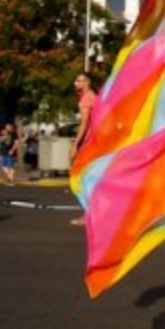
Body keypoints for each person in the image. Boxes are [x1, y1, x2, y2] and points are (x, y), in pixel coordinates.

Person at [68, 73, 97, 226]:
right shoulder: (92, 96)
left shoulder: (87, 98)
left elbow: (85, 123)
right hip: (95, 143)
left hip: (90, 144)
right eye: (76, 79)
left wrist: (75, 144)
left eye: (80, 80)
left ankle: (89, 215)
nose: (76, 82)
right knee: (89, 179)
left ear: (88, 82)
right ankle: (89, 214)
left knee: (82, 178)